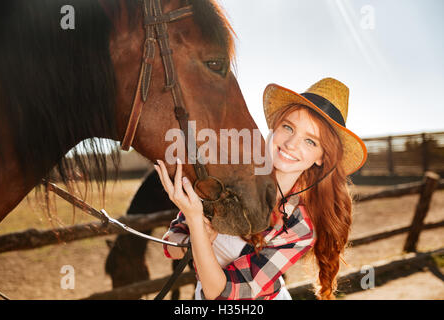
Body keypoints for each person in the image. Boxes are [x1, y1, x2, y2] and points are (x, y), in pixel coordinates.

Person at [154, 77, 367, 300]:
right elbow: (171, 244)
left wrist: (197, 222)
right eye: (288, 127)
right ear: (274, 128)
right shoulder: (227, 177)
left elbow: (224, 293)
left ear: (322, 158)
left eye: (310, 141)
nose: (291, 144)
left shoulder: (300, 224)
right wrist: (196, 238)